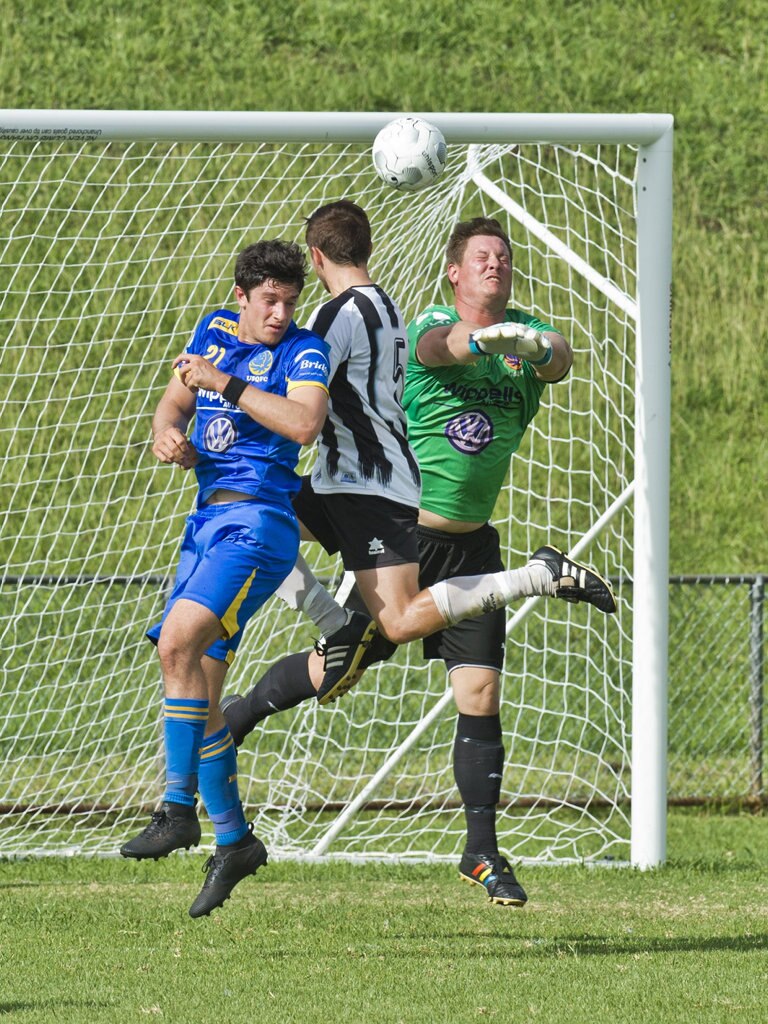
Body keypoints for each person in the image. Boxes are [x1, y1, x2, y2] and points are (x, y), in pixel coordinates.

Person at [222, 211, 616, 907]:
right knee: (338, 668)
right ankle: (238, 716)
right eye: (482, 257)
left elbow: (561, 358)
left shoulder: (526, 335)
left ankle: (482, 853)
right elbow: (441, 346)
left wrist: (533, 340)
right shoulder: (424, 322)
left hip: (472, 543)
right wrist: (482, 340)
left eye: (504, 257)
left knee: (481, 693)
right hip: (403, 532)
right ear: (454, 270)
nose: (496, 265)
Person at [119, 240, 331, 919]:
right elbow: (170, 408)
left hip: (260, 526)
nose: (280, 312)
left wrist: (229, 385)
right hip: (205, 524)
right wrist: (167, 439)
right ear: (242, 296)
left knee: (176, 644)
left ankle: (178, 809)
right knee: (202, 692)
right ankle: (235, 841)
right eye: (269, 300)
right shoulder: (212, 329)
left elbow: (304, 423)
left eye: (291, 302)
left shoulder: (302, 353)